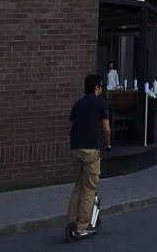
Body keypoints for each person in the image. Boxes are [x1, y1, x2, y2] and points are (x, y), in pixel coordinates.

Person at [65, 74, 112, 242]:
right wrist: (107, 144)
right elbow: (106, 128)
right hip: (90, 149)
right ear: (96, 87)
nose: (101, 89)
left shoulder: (78, 103)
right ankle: (82, 227)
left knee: (78, 186)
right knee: (89, 188)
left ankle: (72, 222)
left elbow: (73, 124)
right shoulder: (101, 103)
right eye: (101, 87)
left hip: (75, 148)